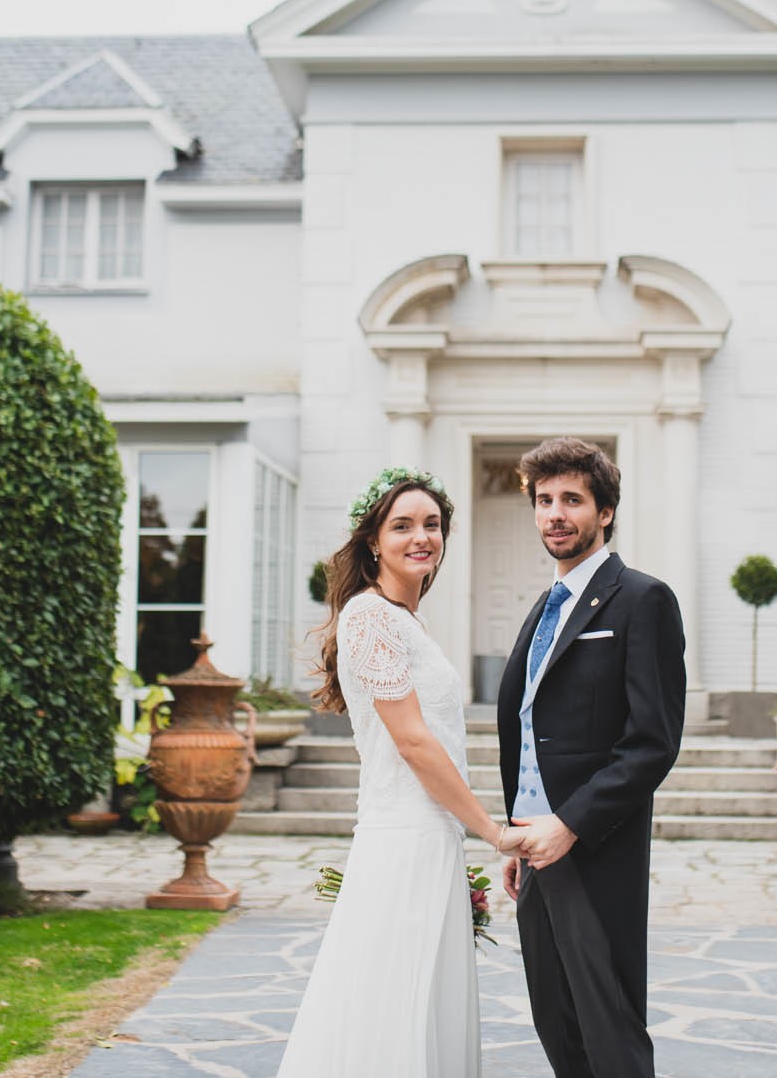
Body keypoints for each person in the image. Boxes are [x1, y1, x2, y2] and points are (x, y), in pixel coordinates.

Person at [278, 467, 524, 1078]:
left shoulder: (408, 620)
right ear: (373, 541)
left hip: (433, 833)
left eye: (432, 525)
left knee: (421, 995)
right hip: (403, 837)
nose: (422, 537)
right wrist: (494, 833)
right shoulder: (369, 617)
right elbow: (413, 742)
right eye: (403, 525)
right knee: (391, 997)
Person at [498, 437, 687, 1078]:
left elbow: (652, 741)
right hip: (533, 844)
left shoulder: (642, 599)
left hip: (594, 845)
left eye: (572, 500)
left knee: (609, 1025)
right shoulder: (544, 608)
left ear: (604, 512)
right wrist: (520, 828)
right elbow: (530, 724)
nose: (555, 514)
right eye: (544, 500)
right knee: (556, 1019)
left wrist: (570, 824)